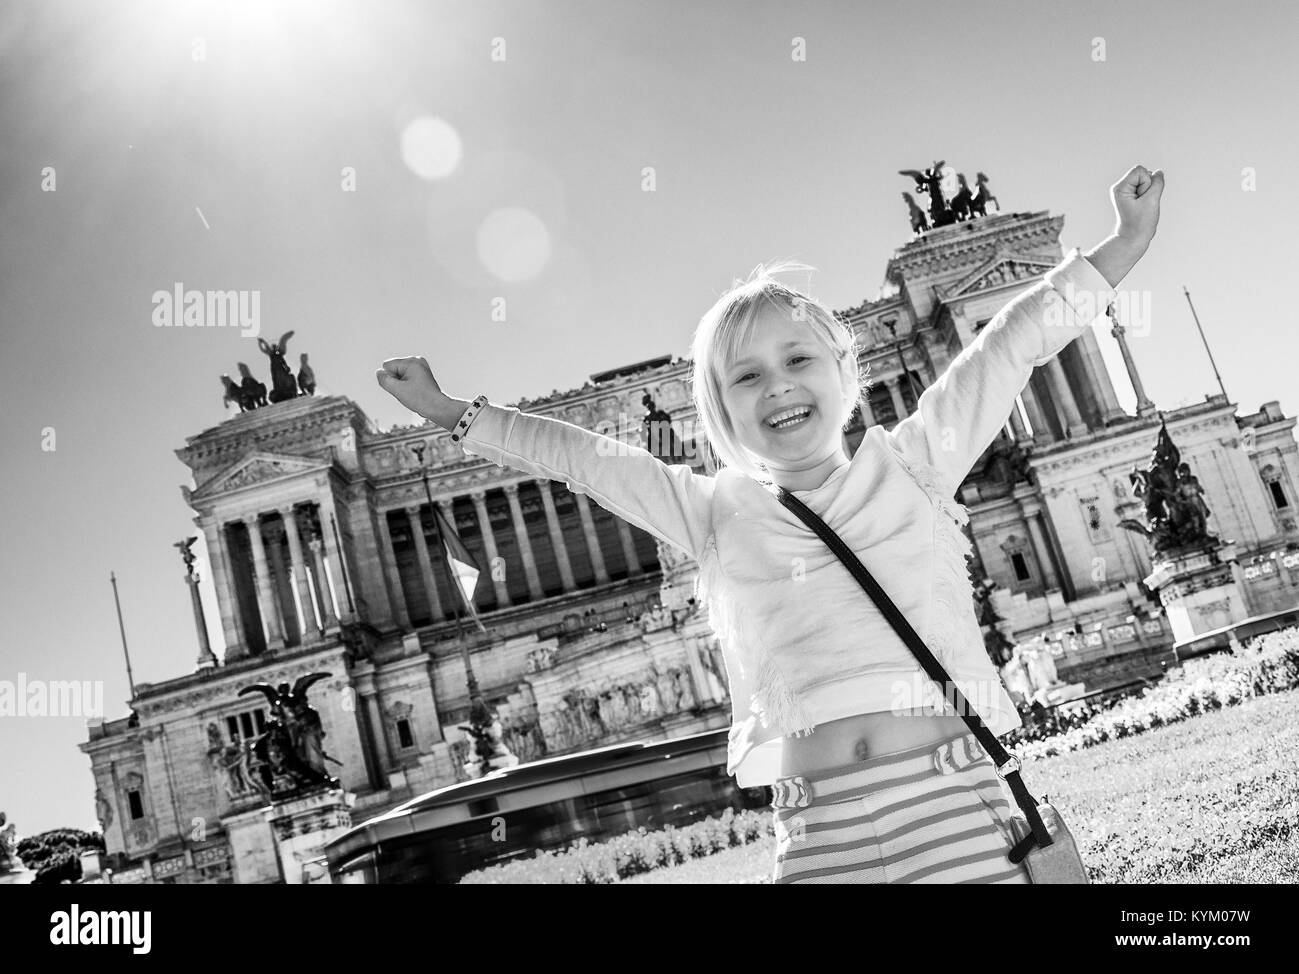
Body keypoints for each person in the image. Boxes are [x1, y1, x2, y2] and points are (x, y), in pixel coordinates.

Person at [377, 164, 1164, 884]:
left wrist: (1121, 244)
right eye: (746, 377)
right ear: (720, 415)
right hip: (820, 834)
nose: (777, 388)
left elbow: (1008, 346)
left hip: (953, 800)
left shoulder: (915, 465)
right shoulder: (714, 512)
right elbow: (582, 460)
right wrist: (454, 414)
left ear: (848, 373)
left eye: (798, 361)